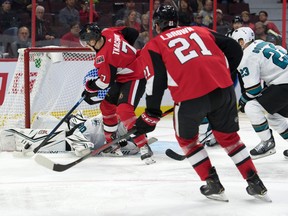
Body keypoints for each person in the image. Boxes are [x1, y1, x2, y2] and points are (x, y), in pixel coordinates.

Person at [134, 4, 270, 202]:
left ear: (156, 26)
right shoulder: (201, 30)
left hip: (190, 98)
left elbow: (155, 81)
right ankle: (255, 182)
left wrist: (151, 113)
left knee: (187, 140)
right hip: (223, 91)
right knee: (229, 138)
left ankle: (212, 182)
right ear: (177, 22)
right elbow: (233, 47)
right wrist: (226, 73)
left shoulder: (154, 45)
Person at [79, 23, 155, 165]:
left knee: (124, 110)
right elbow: (132, 32)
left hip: (136, 75)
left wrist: (90, 87)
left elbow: (104, 83)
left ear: (94, 39)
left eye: (87, 41)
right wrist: (126, 55)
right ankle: (111, 144)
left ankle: (143, 146)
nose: (87, 45)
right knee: (107, 106)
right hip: (124, 75)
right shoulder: (108, 31)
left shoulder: (103, 57)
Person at [231, 27, 288, 160]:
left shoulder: (246, 56)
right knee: (274, 117)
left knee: (252, 107)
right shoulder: (264, 43)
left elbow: (254, 90)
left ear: (241, 41)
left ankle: (267, 143)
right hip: (284, 82)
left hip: (284, 84)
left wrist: (243, 100)